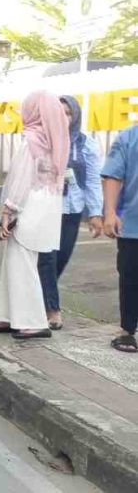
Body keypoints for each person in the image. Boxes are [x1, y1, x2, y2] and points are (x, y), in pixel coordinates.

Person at [0, 90, 70, 340]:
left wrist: (9, 210)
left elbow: (21, 181)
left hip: (27, 209)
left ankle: (33, 321)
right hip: (46, 211)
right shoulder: (56, 142)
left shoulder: (31, 140)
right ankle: (11, 317)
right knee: (16, 264)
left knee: (22, 265)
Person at [37, 95, 104, 330]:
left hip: (72, 209)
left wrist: (95, 213)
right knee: (47, 258)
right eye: (59, 112)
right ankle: (52, 309)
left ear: (75, 115)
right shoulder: (42, 140)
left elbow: (94, 181)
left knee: (61, 258)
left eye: (68, 113)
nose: (64, 117)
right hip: (45, 207)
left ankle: (38, 298)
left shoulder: (86, 143)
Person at [103, 124, 138, 353]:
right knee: (130, 276)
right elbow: (113, 175)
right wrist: (110, 213)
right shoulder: (128, 138)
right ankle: (127, 331)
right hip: (133, 224)